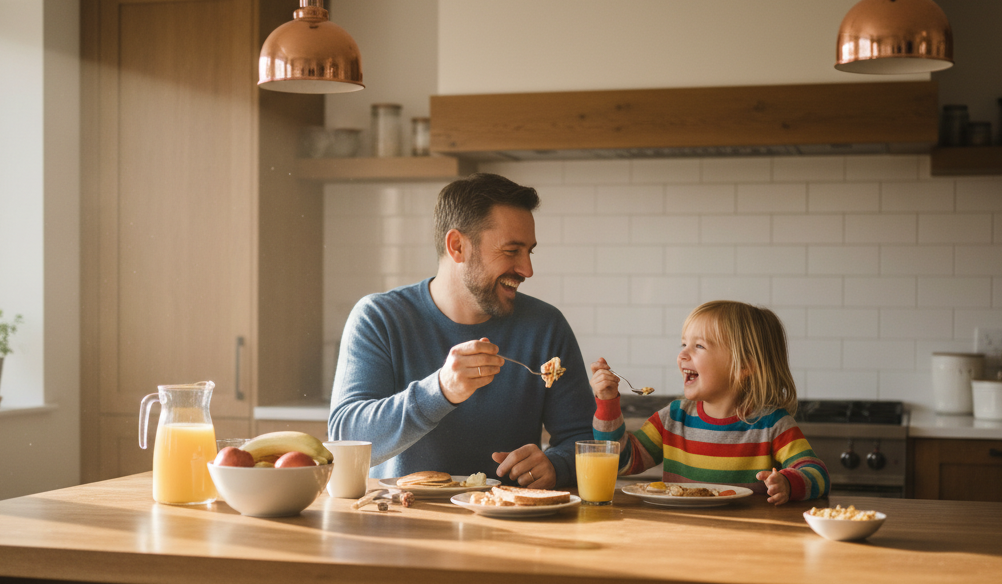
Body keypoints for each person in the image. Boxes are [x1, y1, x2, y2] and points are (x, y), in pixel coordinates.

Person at [329, 173, 594, 488]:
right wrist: (441, 390)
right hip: (401, 524)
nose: (527, 269)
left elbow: (586, 440)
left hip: (511, 526)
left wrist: (556, 464)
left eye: (529, 252)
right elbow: (346, 437)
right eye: (512, 251)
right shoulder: (380, 318)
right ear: (457, 246)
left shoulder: (546, 327)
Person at [589, 300, 828, 505]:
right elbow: (621, 462)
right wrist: (607, 402)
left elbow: (817, 473)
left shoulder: (772, 425)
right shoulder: (673, 418)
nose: (682, 355)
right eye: (684, 344)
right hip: (678, 535)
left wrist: (787, 482)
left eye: (699, 346)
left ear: (744, 366)